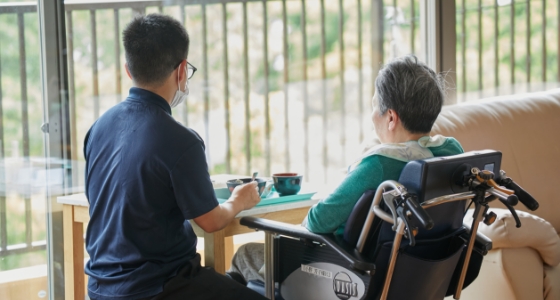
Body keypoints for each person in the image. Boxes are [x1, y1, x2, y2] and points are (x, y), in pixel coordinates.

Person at [228, 55, 464, 283]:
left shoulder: (379, 165)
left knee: (245, 254)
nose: (373, 116)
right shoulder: (451, 153)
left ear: (391, 117)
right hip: (415, 276)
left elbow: (318, 221)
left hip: (344, 273)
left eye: (375, 106)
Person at [84, 13, 267, 300]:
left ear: (129, 70)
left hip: (99, 288)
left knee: (231, 282)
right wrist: (237, 201)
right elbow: (210, 221)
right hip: (160, 287)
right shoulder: (182, 140)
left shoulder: (99, 127)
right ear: (181, 70)